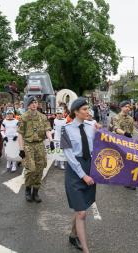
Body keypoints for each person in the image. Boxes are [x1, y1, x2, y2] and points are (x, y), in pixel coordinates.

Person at [60, 97, 97, 253]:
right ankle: (86, 249)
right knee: (81, 212)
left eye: (87, 109)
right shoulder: (65, 129)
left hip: (90, 167)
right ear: (76, 112)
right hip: (75, 171)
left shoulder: (92, 126)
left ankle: (73, 235)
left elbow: (101, 145)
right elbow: (69, 156)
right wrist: (83, 176)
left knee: (81, 208)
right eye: (84, 109)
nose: (87, 112)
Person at [18, 96, 54, 203]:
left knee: (40, 168)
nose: (34, 104)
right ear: (28, 105)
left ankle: (36, 192)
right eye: (32, 103)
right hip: (28, 145)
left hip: (40, 145)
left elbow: (47, 130)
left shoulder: (42, 117)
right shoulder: (24, 117)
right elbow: (20, 134)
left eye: (36, 102)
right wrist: (21, 149)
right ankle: (28, 189)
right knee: (31, 169)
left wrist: (51, 140)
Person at [113, 100, 135, 190]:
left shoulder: (131, 118)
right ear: (121, 107)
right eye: (126, 106)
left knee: (128, 161)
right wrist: (125, 133)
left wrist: (131, 138)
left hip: (128, 142)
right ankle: (112, 176)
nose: (127, 108)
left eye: (129, 107)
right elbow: (116, 128)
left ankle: (127, 181)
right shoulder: (116, 117)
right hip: (119, 142)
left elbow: (132, 130)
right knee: (117, 160)